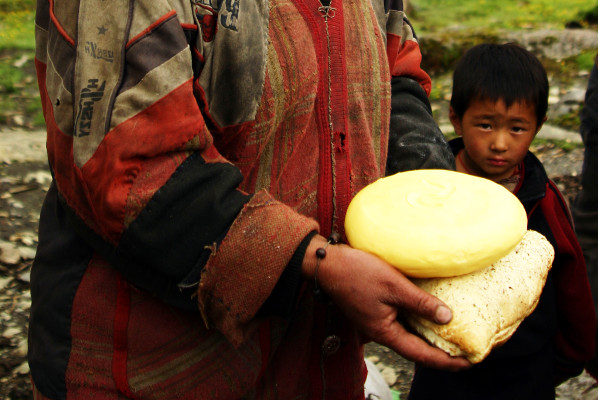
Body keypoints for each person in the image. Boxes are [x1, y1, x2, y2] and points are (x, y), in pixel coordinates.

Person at [28, 0, 470, 399]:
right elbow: (131, 174)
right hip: (154, 365)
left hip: (321, 357)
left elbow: (394, 72)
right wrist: (317, 264)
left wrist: (431, 188)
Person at [408, 43, 597, 400]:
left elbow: (570, 277)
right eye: (484, 125)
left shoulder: (542, 198)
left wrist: (576, 351)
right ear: (455, 117)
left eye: (516, 129)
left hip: (524, 367)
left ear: (538, 126)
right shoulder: (432, 187)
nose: (498, 143)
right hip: (445, 362)